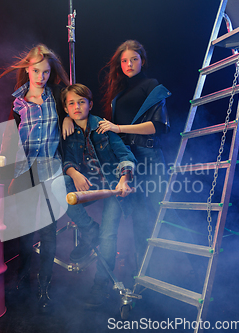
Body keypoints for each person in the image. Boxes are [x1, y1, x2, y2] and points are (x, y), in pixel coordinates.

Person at [0, 44, 69, 313]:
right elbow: (9, 141)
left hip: (51, 168)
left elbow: (79, 103)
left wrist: (68, 118)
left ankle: (44, 287)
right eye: (36, 71)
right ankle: (23, 280)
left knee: (49, 231)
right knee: (25, 231)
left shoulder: (58, 96)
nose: (41, 77)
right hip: (24, 171)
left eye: (46, 72)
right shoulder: (17, 102)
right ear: (27, 68)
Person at [51, 83, 136, 307]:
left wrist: (124, 178)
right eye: (71, 103)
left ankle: (101, 287)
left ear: (90, 104)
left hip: (112, 186)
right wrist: (75, 174)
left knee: (108, 237)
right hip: (87, 185)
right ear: (66, 109)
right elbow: (67, 160)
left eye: (81, 102)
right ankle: (90, 229)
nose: (77, 107)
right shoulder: (68, 131)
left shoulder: (102, 126)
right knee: (60, 184)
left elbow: (125, 155)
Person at [97, 40, 171, 267]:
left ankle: (192, 265)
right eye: (124, 61)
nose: (129, 64)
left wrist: (118, 128)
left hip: (149, 154)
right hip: (129, 159)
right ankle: (144, 270)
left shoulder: (151, 85)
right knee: (139, 216)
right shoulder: (118, 94)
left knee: (164, 212)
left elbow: (156, 127)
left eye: (134, 59)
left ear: (142, 61)